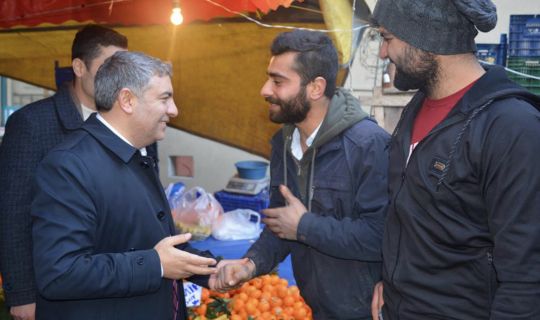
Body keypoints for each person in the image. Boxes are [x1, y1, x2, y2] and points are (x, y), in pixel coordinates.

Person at [370, 1, 540, 319]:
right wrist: (391, 284)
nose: (383, 53)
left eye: (387, 37)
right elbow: (415, 220)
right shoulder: (416, 108)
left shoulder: (512, 126)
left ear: (428, 37)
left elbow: (526, 279)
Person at [30, 51, 221, 319]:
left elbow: (154, 242)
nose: (174, 110)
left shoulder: (137, 154)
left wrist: (213, 270)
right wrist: (155, 266)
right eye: (165, 98)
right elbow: (60, 273)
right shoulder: (68, 166)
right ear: (127, 100)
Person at [214, 30, 390, 319]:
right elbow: (281, 225)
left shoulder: (369, 146)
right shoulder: (282, 143)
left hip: (368, 312)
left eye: (278, 81)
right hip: (317, 308)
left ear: (316, 88)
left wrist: (306, 226)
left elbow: (381, 237)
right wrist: (250, 264)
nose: (265, 90)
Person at [0, 24, 129, 320]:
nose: (116, 79)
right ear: (79, 67)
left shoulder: (126, 121)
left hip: (113, 283)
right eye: (107, 68)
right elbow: (11, 213)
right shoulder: (32, 123)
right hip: (54, 288)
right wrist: (21, 294)